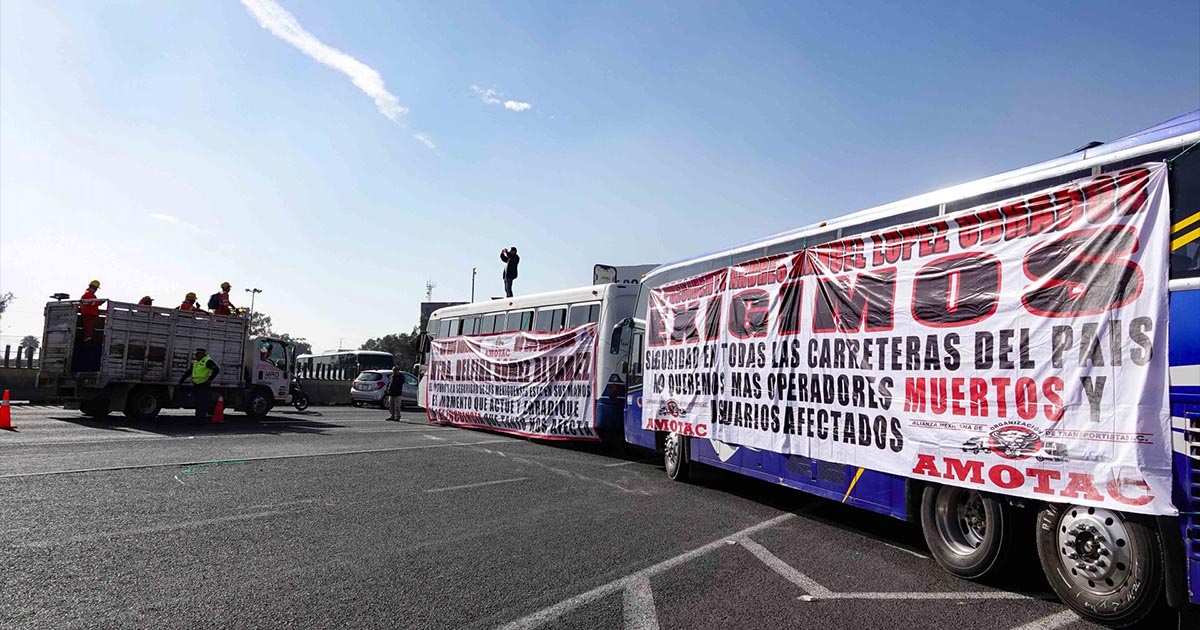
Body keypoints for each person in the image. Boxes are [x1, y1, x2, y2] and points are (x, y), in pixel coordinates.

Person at [179, 347, 220, 421]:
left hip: (204, 385)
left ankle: (201, 420)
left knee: (202, 403)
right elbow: (189, 371)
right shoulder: (196, 362)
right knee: (197, 402)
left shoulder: (207, 361)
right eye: (196, 354)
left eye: (198, 354)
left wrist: (210, 379)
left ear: (202, 354)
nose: (196, 355)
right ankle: (198, 419)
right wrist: (181, 381)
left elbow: (216, 369)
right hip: (197, 384)